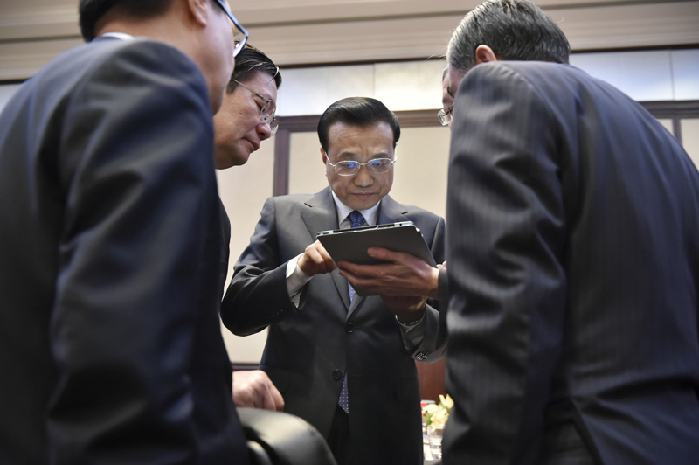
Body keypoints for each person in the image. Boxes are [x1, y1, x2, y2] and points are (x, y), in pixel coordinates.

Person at [443, 1, 699, 464]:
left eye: (450, 102)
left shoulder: (497, 86)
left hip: (579, 440)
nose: (455, 123)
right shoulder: (661, 141)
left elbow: (507, 315)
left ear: (484, 61)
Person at [0, 1, 252, 464]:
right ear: (198, 6)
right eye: (235, 36)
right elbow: (126, 352)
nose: (231, 55)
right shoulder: (151, 78)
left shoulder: (29, 100)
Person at [221, 96, 446, 465]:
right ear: (325, 157)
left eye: (380, 162)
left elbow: (434, 350)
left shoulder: (427, 228)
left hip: (386, 425)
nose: (364, 178)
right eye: (347, 163)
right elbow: (237, 315)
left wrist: (413, 313)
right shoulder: (283, 215)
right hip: (293, 418)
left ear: (394, 156)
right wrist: (298, 270)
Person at [212, 43, 285, 412]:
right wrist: (214, 386)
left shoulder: (213, 212)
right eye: (261, 106)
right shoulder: (139, 178)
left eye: (272, 117)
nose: (266, 130)